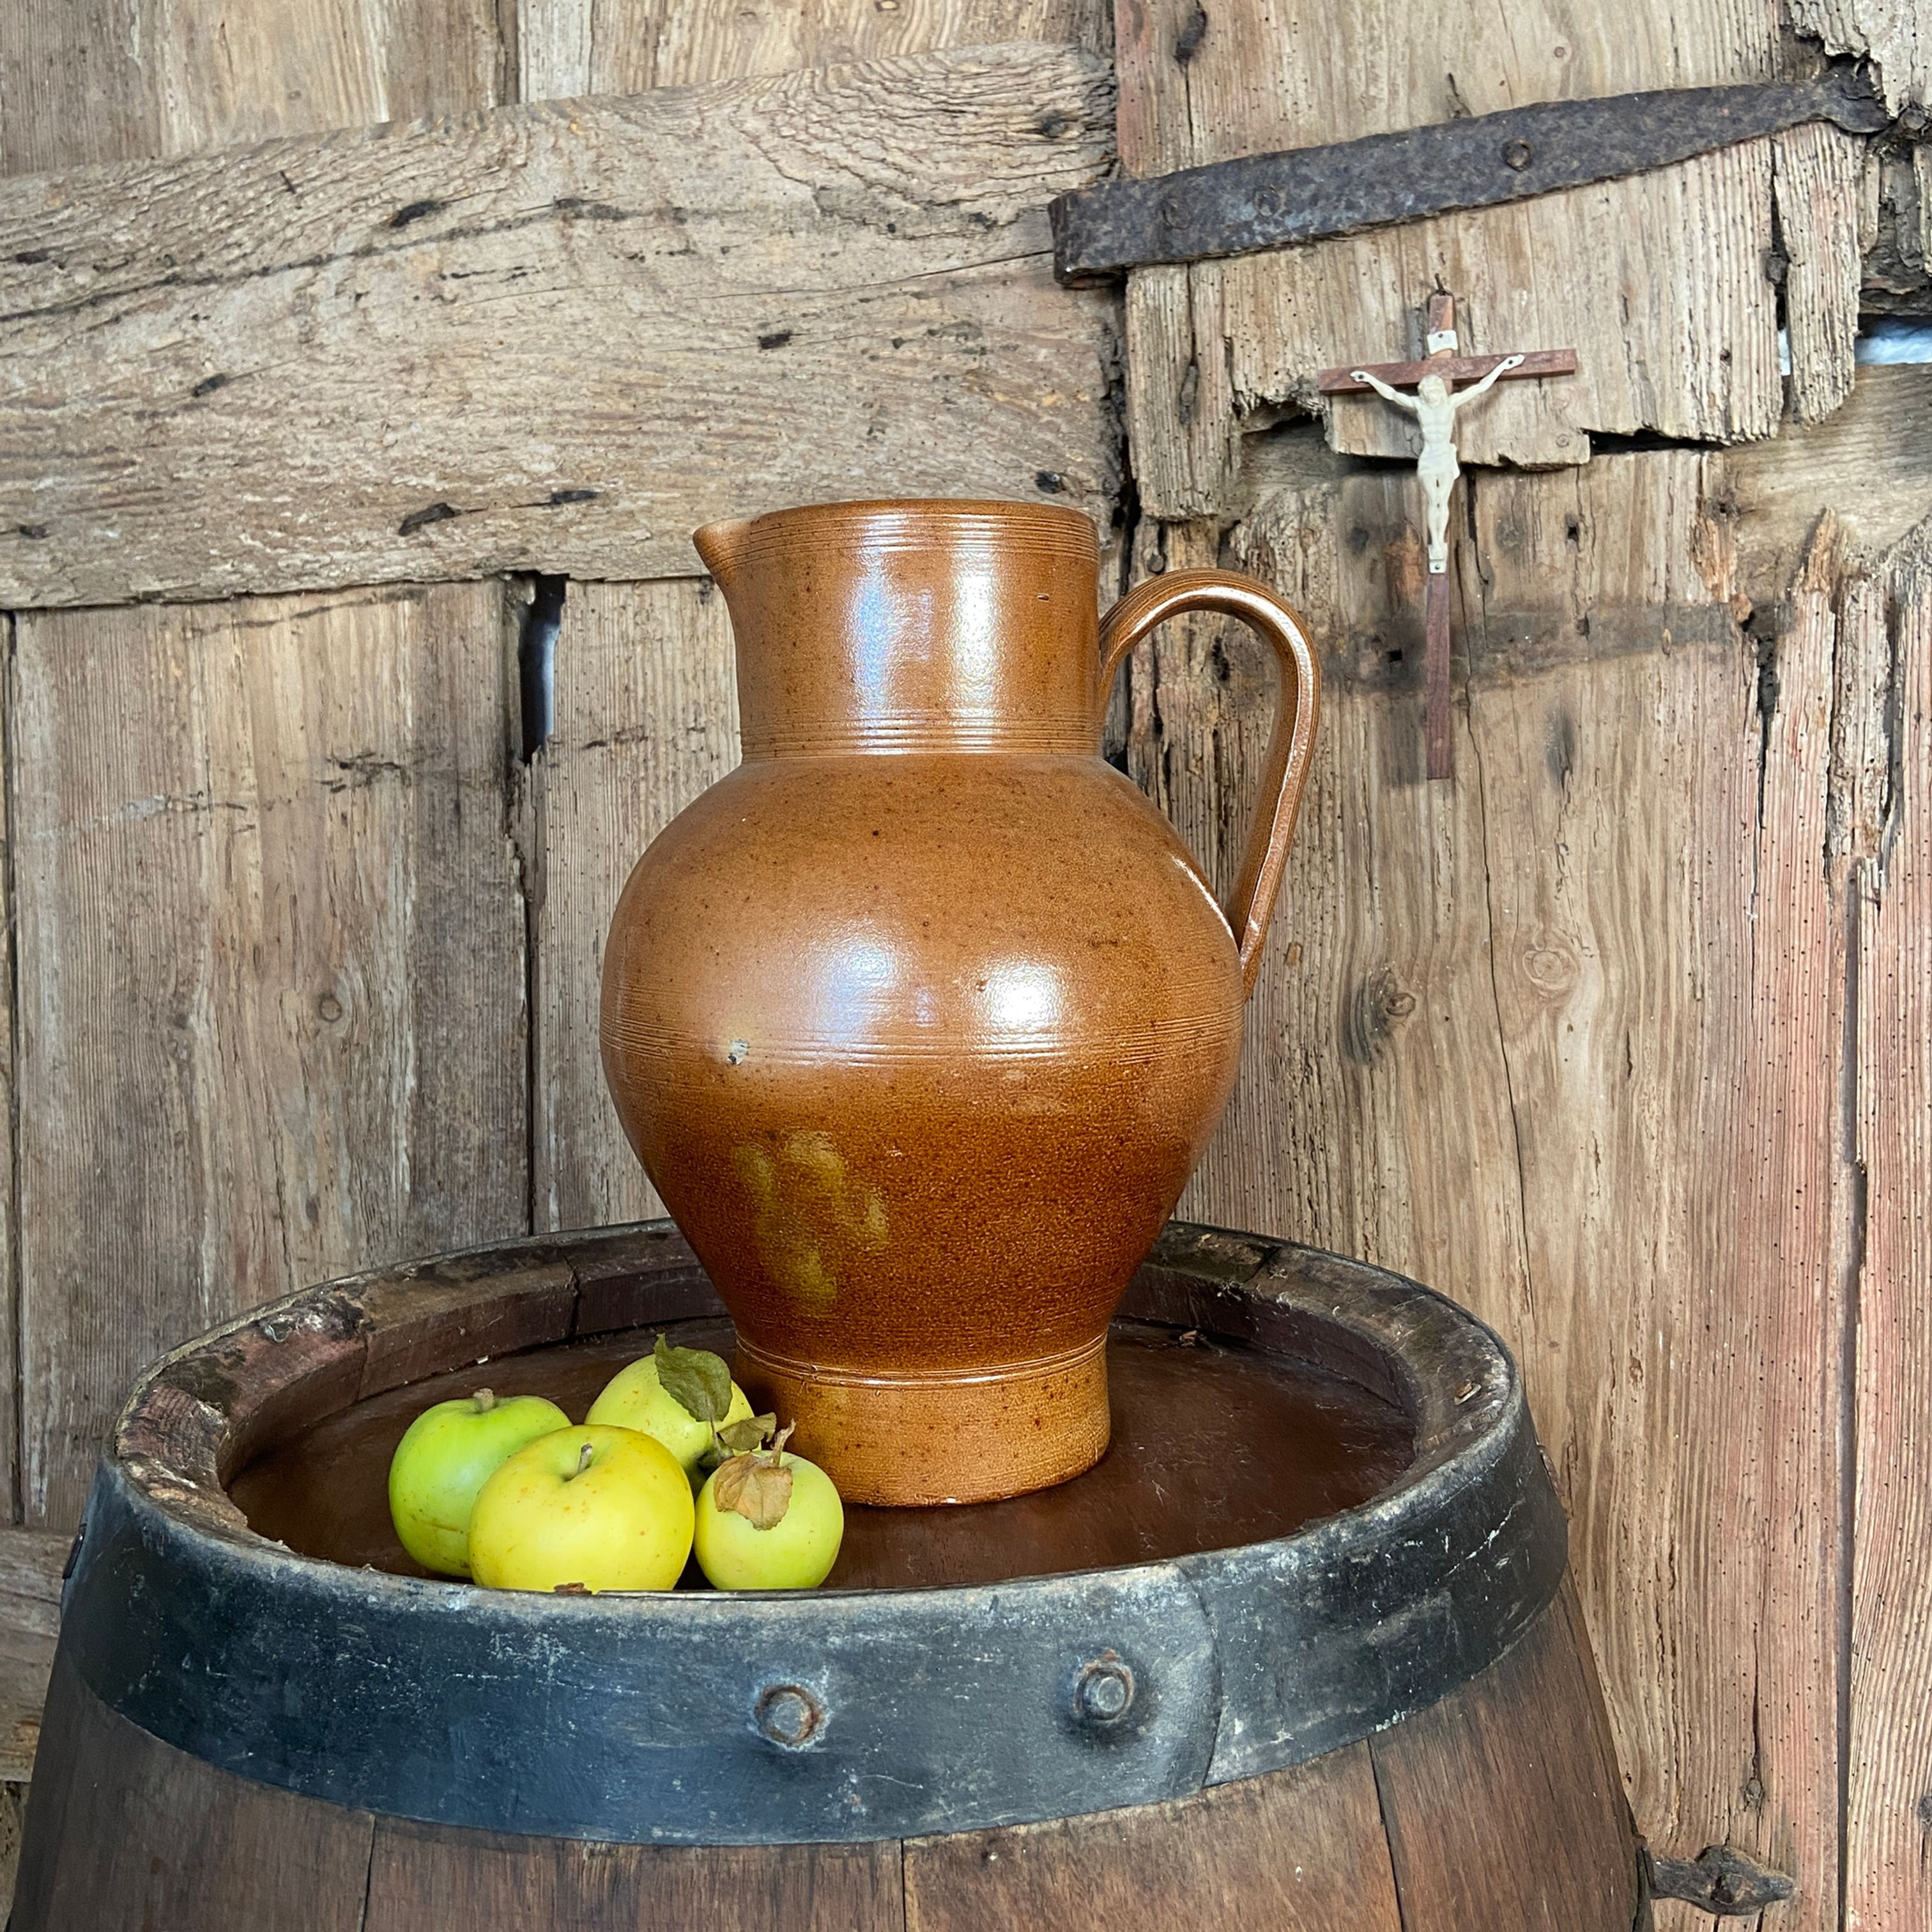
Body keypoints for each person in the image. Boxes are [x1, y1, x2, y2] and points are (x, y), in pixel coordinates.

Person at [1348, 355, 1525, 572]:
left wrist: (1503, 367)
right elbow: (1392, 395)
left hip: (1444, 457)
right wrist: (1370, 379)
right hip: (1428, 457)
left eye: (1435, 390)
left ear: (1440, 391)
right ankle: (1436, 542)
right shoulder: (1420, 406)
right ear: (1423, 393)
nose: (1432, 395)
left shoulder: (1450, 403)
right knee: (1434, 501)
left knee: (1442, 500)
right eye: (1428, 392)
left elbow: (1480, 387)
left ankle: (1440, 542)